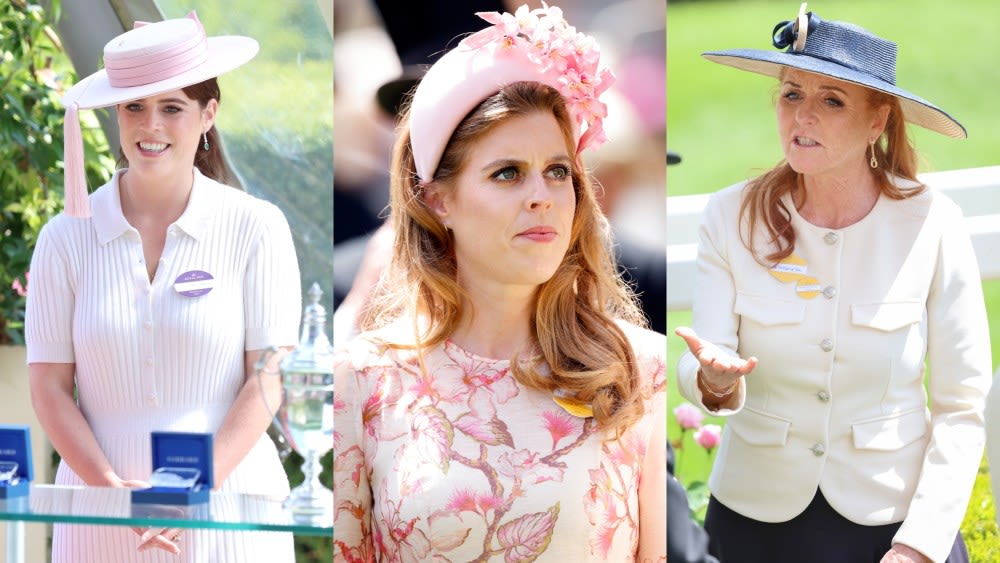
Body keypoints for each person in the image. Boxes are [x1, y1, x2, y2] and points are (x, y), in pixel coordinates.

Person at [332, 4, 666, 561]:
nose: (542, 196)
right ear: (438, 199)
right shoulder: (361, 378)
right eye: (506, 172)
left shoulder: (640, 368)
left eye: (558, 171)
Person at [674, 6, 991, 563]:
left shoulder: (932, 221)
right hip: (755, 524)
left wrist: (919, 546)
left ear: (878, 122)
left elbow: (962, 406)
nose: (803, 116)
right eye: (792, 94)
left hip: (893, 526)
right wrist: (714, 380)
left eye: (831, 100)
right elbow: (709, 351)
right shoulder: (728, 216)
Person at [25, 12, 301, 561]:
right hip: (99, 513)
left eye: (171, 107)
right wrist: (110, 492)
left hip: (229, 506)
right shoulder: (62, 239)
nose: (150, 126)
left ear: (208, 114)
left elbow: (266, 377)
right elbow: (50, 388)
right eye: (134, 106)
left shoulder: (257, 226)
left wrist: (194, 491)